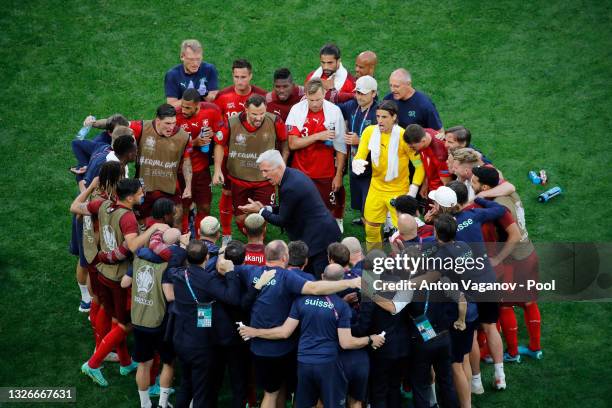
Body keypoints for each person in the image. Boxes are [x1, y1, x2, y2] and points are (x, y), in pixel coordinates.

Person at [235, 241, 362, 408]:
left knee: (272, 392)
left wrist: (223, 257)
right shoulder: (287, 277)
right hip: (283, 349)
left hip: (258, 349)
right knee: (285, 391)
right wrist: (349, 283)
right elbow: (314, 289)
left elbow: (226, 266)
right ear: (284, 257)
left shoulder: (250, 271)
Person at [71, 178, 169, 387]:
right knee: (126, 325)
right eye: (141, 193)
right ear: (130, 196)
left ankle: (125, 363)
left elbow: (74, 207)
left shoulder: (104, 204)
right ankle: (93, 363)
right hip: (117, 277)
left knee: (116, 319)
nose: (143, 195)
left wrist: (87, 188)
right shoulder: (128, 218)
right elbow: (133, 246)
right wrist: (152, 229)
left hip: (103, 272)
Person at [438, 181, 509, 391]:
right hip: (487, 278)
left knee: (472, 335)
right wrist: (478, 199)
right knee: (491, 327)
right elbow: (500, 210)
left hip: (469, 287)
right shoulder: (473, 215)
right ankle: (500, 375)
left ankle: (476, 382)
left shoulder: (447, 228)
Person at [471, 166, 543, 361]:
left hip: (513, 260)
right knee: (528, 301)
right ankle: (536, 348)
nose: (471, 183)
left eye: (474, 181)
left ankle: (512, 353)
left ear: (485, 185)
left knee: (504, 305)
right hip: (529, 252)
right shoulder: (509, 191)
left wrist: (498, 258)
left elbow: (513, 235)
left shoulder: (498, 206)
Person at [238, 150, 341, 277]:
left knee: (322, 279)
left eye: (266, 170)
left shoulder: (290, 186)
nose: (263, 175)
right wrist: (265, 208)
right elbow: (287, 207)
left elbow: (282, 220)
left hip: (320, 239)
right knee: (309, 276)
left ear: (279, 167)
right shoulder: (291, 176)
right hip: (317, 232)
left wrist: (260, 211)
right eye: (262, 171)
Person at [170, 240, 242, 407]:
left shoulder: (178, 274)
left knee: (186, 386)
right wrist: (230, 272)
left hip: (180, 338)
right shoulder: (207, 281)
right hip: (199, 345)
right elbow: (232, 298)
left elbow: (173, 261)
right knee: (202, 392)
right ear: (207, 257)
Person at [121, 228, 186, 408]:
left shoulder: (139, 258)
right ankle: (163, 404)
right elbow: (170, 295)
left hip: (139, 320)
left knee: (143, 364)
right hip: (160, 322)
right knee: (168, 363)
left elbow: (124, 283)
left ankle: (145, 404)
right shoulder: (169, 264)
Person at [351, 100, 424, 249]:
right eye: (378, 116)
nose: (380, 121)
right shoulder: (369, 132)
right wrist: (356, 162)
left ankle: (409, 262)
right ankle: (374, 258)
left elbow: (419, 166)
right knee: (370, 228)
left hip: (398, 191)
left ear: (394, 117)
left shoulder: (404, 137)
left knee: (406, 232)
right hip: (376, 188)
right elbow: (360, 155)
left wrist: (412, 190)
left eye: (384, 117)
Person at [105, 104, 193, 226]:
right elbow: (117, 125)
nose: (171, 127)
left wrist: (188, 186)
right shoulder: (142, 127)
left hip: (169, 187)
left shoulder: (184, 137)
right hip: (144, 188)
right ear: (158, 120)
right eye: (167, 123)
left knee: (176, 216)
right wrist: (92, 123)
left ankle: (176, 244)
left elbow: (187, 163)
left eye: (174, 123)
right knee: (142, 223)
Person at [212, 94, 288, 232]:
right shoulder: (231, 122)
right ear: (246, 109)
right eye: (254, 114)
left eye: (262, 113)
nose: (259, 118)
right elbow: (219, 145)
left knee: (262, 218)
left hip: (265, 180)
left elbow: (285, 143)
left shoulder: (275, 121)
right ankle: (253, 240)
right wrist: (217, 170)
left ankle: (257, 244)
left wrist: (281, 171)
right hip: (239, 180)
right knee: (241, 219)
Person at [214, 58, 267, 245]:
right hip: (232, 157)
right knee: (227, 193)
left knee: (257, 195)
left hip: (256, 157)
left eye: (243, 77)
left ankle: (258, 231)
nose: (240, 81)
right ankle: (227, 234)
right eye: (236, 77)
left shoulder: (262, 96)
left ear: (250, 76)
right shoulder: (223, 97)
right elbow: (219, 128)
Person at [285, 78, 347, 231]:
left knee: (327, 208)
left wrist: (338, 174)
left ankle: (330, 229)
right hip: (300, 173)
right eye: (311, 99)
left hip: (325, 173)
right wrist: (318, 136)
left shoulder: (334, 112)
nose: (315, 103)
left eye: (318, 99)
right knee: (300, 208)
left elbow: (340, 147)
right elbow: (292, 144)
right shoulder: (296, 110)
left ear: (325, 93)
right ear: (305, 95)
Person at [174, 88, 225, 237]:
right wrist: (195, 143)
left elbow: (222, 136)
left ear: (198, 105)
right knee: (182, 207)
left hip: (202, 169)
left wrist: (213, 134)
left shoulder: (212, 111)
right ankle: (183, 237)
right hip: (180, 170)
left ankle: (200, 238)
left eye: (188, 107)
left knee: (204, 206)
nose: (183, 110)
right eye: (182, 106)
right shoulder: (175, 116)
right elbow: (170, 144)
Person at [338, 75, 379, 226]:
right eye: (357, 93)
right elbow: (334, 108)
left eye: (363, 93)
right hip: (355, 160)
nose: (359, 96)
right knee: (358, 192)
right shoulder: (352, 106)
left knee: (368, 194)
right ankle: (363, 217)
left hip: (371, 165)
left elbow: (382, 142)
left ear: (373, 93)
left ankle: (373, 222)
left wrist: (359, 140)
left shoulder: (379, 112)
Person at [164, 39, 219, 107]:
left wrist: (205, 94)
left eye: (198, 59)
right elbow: (171, 105)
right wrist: (189, 97)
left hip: (205, 112)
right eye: (191, 59)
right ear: (182, 57)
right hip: (184, 114)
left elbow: (215, 100)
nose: (195, 64)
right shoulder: (172, 75)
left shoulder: (209, 69)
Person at [403, 124, 452, 196]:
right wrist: (425, 184)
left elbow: (447, 182)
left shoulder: (440, 154)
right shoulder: (424, 133)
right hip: (430, 186)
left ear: (423, 141)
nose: (410, 148)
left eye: (413, 147)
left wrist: (442, 200)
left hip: (439, 191)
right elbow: (427, 164)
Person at [450, 148, 515, 202]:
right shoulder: (464, 177)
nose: (453, 170)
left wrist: (482, 194)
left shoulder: (485, 175)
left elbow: (510, 187)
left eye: (455, 168)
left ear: (466, 171)